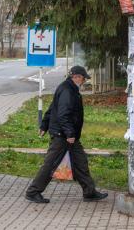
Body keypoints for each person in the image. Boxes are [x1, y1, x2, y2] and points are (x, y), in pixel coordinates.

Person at [25, 66, 108, 203]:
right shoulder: (68, 90)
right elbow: (63, 114)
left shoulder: (68, 88)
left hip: (69, 135)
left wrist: (44, 124)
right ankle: (33, 192)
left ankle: (89, 192)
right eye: (83, 78)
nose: (83, 81)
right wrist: (69, 133)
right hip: (62, 135)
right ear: (76, 77)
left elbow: (53, 107)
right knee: (50, 164)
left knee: (80, 162)